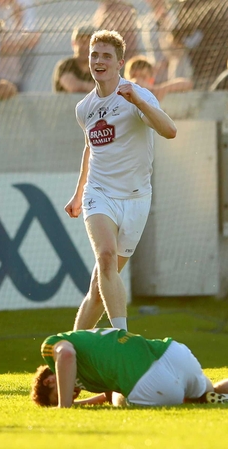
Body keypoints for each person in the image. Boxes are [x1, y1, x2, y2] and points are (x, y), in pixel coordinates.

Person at [63, 30, 177, 332]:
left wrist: (139, 101)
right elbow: (90, 148)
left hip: (137, 199)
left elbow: (169, 131)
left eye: (106, 56)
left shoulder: (136, 95)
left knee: (99, 291)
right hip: (99, 194)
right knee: (105, 256)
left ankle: (72, 351)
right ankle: (121, 336)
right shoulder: (84, 108)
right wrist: (78, 194)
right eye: (94, 55)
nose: (99, 61)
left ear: (119, 63)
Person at [32, 328, 228, 407]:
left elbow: (65, 355)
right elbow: (105, 394)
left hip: (151, 384)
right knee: (210, 392)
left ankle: (189, 398)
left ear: (50, 380)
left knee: (121, 399)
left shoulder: (52, 347)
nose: (71, 395)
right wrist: (79, 404)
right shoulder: (88, 352)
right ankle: (210, 397)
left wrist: (63, 406)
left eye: (58, 394)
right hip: (174, 353)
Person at [125, 55, 192, 101]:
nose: (139, 79)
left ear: (151, 77)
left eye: (143, 76)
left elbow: (188, 83)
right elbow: (135, 82)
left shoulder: (157, 89)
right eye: (134, 76)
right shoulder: (125, 88)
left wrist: (162, 89)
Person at [52, 24, 96, 93]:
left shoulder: (102, 66)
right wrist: (97, 88)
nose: (86, 47)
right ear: (74, 44)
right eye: (82, 42)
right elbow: (73, 87)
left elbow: (110, 90)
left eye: (90, 43)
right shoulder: (66, 65)